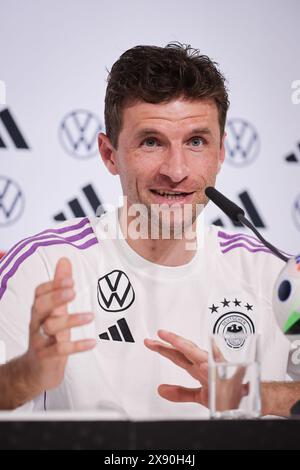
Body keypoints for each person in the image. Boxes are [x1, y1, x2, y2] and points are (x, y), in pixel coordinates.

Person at [0, 43, 299, 418]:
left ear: (221, 152)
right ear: (110, 155)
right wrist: (31, 372)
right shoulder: (43, 265)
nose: (176, 171)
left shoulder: (279, 275)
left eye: (195, 142)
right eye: (152, 142)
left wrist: (248, 393)